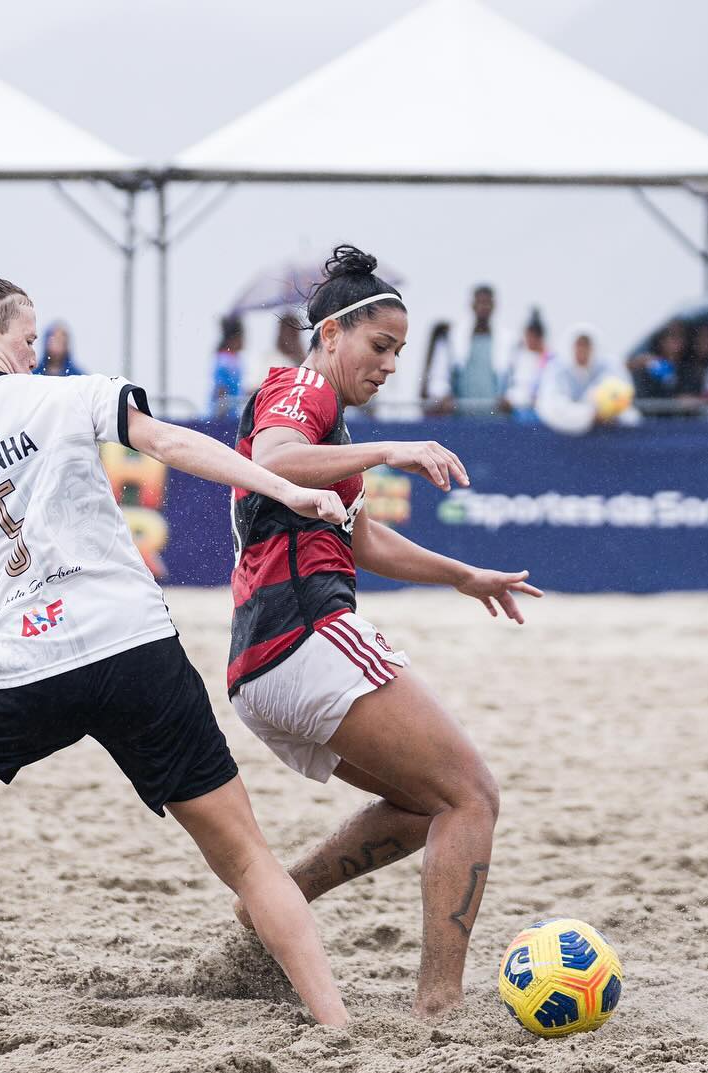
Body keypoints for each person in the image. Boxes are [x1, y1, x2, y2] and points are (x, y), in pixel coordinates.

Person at [0, 271, 351, 1026]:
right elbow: (168, 442)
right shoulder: (65, 397)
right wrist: (285, 489)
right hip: (134, 647)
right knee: (246, 858)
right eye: (27, 338)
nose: (34, 352)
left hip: (24, 669)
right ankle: (335, 1023)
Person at [223, 245, 542, 1018]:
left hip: (261, 662)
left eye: (400, 350)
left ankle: (274, 902)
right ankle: (440, 1005)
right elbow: (276, 457)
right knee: (471, 797)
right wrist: (393, 447)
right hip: (306, 633)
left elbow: (362, 539)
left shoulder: (325, 426)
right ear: (331, 334)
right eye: (380, 345)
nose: (392, 365)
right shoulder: (301, 388)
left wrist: (463, 575)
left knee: (423, 804)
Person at [535, 325, 636, 435]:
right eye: (579, 344)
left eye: (586, 345)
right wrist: (589, 415)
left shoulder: (610, 366)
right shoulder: (556, 369)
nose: (582, 349)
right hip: (565, 437)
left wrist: (609, 413)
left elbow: (626, 402)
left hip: (608, 435)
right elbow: (552, 406)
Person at [451, 284, 505, 417]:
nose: (483, 307)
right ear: (472, 305)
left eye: (487, 303)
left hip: (497, 416)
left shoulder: (507, 340)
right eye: (480, 303)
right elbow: (444, 375)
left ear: (494, 306)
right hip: (461, 415)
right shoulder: (455, 337)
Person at [630, 320, 697, 417]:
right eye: (672, 335)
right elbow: (643, 398)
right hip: (652, 421)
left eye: (680, 336)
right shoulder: (648, 365)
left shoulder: (688, 369)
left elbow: (692, 398)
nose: (677, 341)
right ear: (661, 340)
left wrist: (689, 400)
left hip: (682, 421)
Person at [243, 312, 308, 403]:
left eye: (293, 334)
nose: (290, 338)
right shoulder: (269, 358)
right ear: (281, 334)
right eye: (288, 333)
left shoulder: (306, 361)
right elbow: (253, 388)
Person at [502, 308, 553, 422]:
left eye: (533, 336)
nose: (529, 340)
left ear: (539, 337)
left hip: (541, 412)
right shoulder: (518, 357)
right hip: (518, 411)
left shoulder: (550, 360)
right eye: (528, 336)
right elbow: (513, 384)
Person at [208, 314, 245, 420]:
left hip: (232, 412)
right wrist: (220, 416)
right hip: (222, 414)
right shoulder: (225, 360)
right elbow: (221, 389)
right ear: (234, 338)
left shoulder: (233, 358)